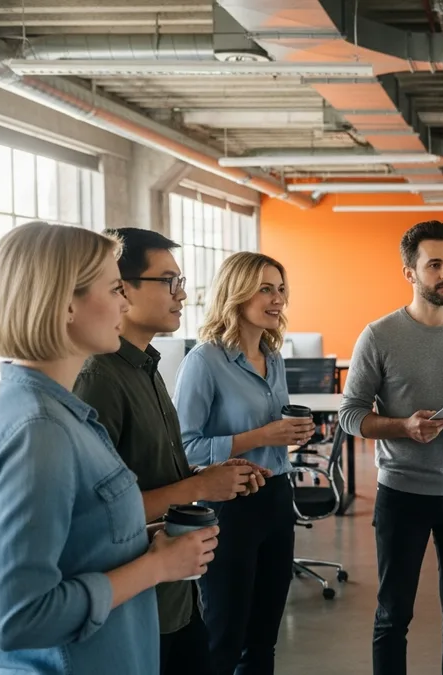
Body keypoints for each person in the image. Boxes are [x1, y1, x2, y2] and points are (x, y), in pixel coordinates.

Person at [0, 222, 218, 674]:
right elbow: (19, 617)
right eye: (114, 287)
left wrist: (141, 542)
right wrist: (156, 567)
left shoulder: (55, 409)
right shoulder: (38, 429)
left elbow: (75, 542)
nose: (124, 302)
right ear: (65, 303)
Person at [73, 228, 271, 675]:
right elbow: (95, 515)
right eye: (168, 282)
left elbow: (154, 471)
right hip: (134, 599)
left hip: (174, 592)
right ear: (121, 289)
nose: (181, 295)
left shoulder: (147, 367)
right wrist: (200, 484)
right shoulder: (98, 379)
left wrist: (210, 472)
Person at [338, 220, 443, 675]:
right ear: (409, 273)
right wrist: (402, 426)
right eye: (434, 264)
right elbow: (351, 414)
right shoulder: (379, 336)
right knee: (393, 615)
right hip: (403, 495)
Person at [173, 252, 315, 675]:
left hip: (275, 498)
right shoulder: (204, 361)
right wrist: (261, 436)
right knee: (224, 637)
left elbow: (277, 432)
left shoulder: (274, 358)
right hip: (228, 505)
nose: (277, 299)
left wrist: (293, 436)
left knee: (263, 640)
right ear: (236, 293)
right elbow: (184, 447)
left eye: (281, 289)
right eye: (265, 288)